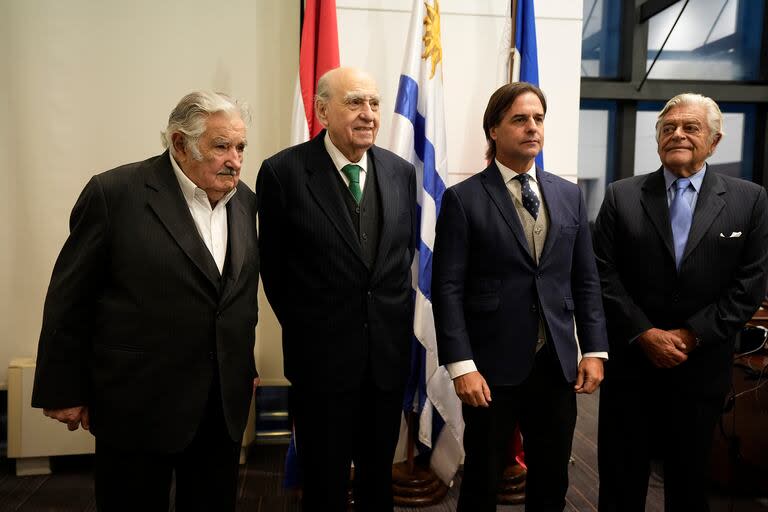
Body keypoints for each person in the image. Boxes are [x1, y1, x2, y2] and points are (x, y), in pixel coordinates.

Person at [32, 91, 260, 511]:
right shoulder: (115, 193)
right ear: (179, 143)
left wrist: (245, 364)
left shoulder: (244, 201)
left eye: (241, 146)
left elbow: (238, 297)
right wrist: (63, 387)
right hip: (137, 404)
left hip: (220, 405)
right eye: (221, 146)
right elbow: (69, 296)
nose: (235, 159)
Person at [432, 82, 608, 512]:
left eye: (538, 119)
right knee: (482, 481)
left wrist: (595, 350)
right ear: (493, 129)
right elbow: (447, 288)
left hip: (556, 366)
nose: (532, 128)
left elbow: (585, 280)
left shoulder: (569, 195)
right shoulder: (463, 198)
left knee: (552, 480)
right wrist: (461, 366)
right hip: (490, 370)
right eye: (519, 119)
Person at [593, 93, 768, 511]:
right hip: (632, 366)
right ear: (657, 139)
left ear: (714, 140)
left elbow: (751, 282)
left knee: (689, 485)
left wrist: (692, 335)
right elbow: (601, 273)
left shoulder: (750, 200)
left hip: (701, 368)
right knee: (621, 481)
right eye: (668, 128)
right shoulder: (621, 196)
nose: (678, 134)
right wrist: (643, 332)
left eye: (691, 127)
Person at [256, 67, 416, 511]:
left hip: (385, 363)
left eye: (375, 103)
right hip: (321, 364)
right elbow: (274, 271)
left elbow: (398, 261)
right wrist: (314, 332)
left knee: (376, 483)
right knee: (323, 485)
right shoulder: (283, 173)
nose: (368, 114)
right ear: (323, 111)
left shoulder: (400, 172)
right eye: (355, 102)